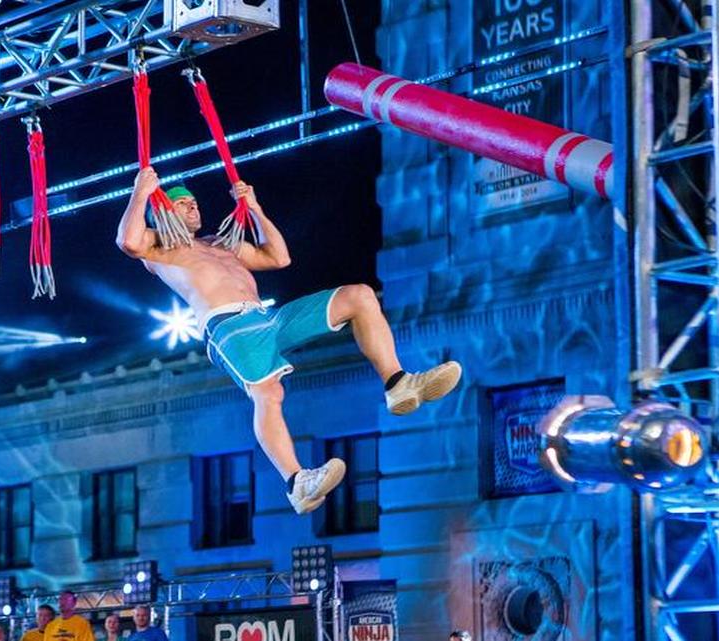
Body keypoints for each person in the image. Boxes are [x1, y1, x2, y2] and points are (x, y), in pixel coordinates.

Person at [117, 168, 462, 514]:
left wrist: (254, 208)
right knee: (269, 393)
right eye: (183, 204)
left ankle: (398, 384)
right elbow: (127, 242)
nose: (194, 208)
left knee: (360, 296)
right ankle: (297, 483)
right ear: (162, 211)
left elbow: (278, 257)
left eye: (194, 203)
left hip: (265, 318)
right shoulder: (159, 247)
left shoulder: (220, 244)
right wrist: (140, 192)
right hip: (227, 327)